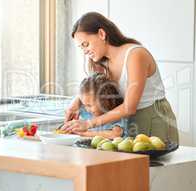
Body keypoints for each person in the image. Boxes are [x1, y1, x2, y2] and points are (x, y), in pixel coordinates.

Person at [62, 12, 179, 144]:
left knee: (149, 164)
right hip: (126, 124)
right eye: (81, 47)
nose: (84, 51)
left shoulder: (135, 55)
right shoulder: (100, 62)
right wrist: (76, 102)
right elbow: (93, 89)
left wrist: (88, 124)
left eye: (85, 44)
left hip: (152, 119)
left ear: (101, 34)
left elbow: (129, 107)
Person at [75, 72, 128, 139]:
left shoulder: (115, 115)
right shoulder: (86, 113)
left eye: (89, 105)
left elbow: (116, 134)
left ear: (105, 101)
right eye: (84, 105)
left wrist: (85, 133)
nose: (87, 109)